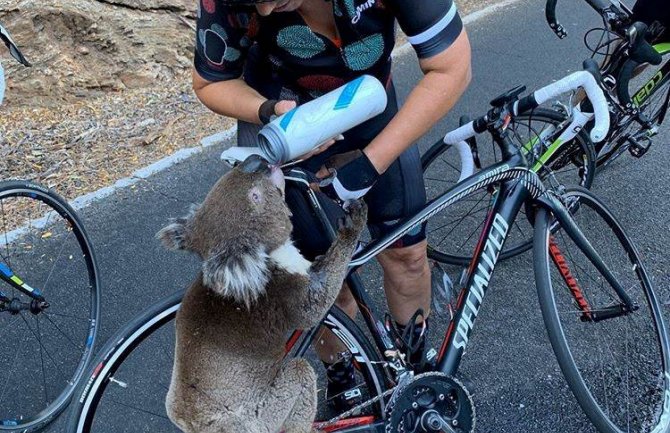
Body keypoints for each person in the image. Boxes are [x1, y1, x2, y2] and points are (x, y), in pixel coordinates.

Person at [192, 0, 472, 411]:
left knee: (408, 255)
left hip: (368, 105)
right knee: (318, 275)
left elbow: (452, 67)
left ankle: (413, 362)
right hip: (282, 121)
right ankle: (343, 368)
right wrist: (268, 111)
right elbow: (209, 82)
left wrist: (371, 164)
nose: (266, 9)